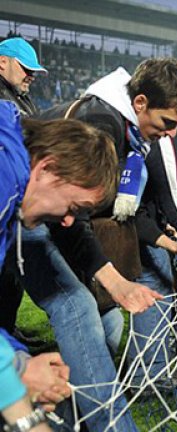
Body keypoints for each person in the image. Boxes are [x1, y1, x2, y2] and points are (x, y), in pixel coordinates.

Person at [23, 57, 177, 431]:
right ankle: (114, 426)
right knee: (77, 306)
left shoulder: (129, 133)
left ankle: (66, 416)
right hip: (34, 216)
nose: (170, 134)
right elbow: (71, 217)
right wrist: (114, 281)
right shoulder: (102, 124)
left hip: (48, 215)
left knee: (106, 329)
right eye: (167, 122)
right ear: (139, 103)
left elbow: (113, 210)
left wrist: (168, 245)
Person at [0, 100, 118, 431]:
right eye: (72, 206)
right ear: (48, 169)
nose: (68, 221)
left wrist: (19, 360)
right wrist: (16, 370)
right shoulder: (4, 180)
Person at [0, 37, 48, 346]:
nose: (30, 76)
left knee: (10, 273)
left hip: (18, 196)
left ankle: (6, 329)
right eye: (25, 69)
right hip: (5, 195)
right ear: (2, 62)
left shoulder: (19, 96)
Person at [0, 38, 45, 118]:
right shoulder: (3, 100)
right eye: (27, 69)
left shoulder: (23, 98)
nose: (32, 77)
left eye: (33, 72)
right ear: (3, 62)